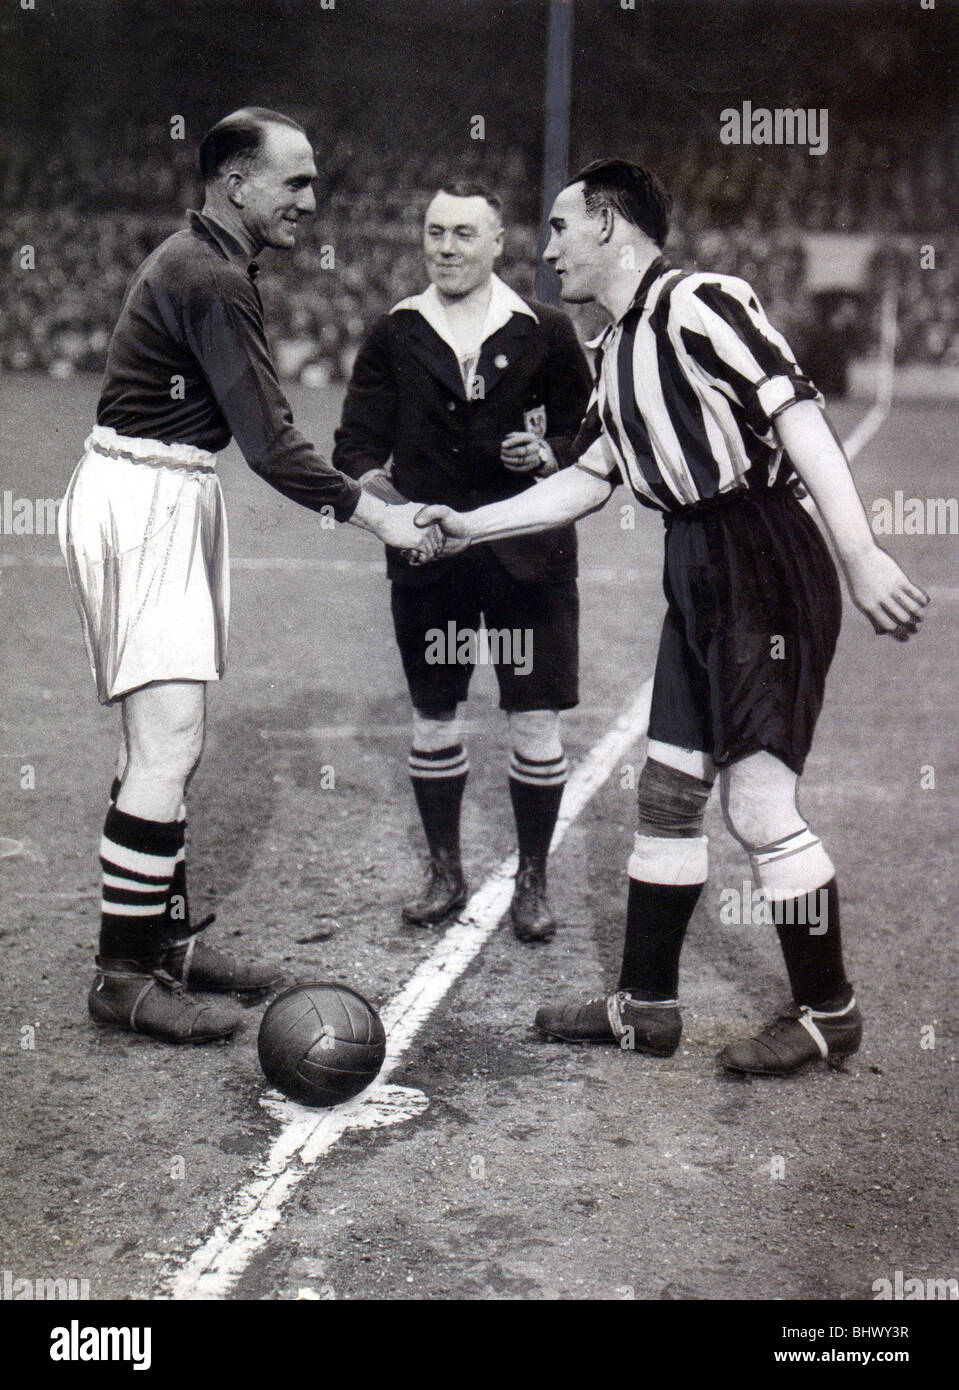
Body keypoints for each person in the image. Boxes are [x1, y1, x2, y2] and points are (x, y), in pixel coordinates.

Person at [416, 158, 929, 1076]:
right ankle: (645, 1006)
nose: (547, 250)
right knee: (665, 795)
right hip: (694, 563)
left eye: (561, 228)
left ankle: (826, 1012)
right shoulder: (614, 347)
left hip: (761, 556)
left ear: (609, 225)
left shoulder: (701, 302)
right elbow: (586, 478)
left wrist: (861, 554)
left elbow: (797, 414)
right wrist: (467, 527)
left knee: (758, 804)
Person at [58, 108, 438, 1044]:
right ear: (236, 181)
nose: (313, 198)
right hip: (144, 498)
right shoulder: (211, 277)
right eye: (295, 181)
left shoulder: (208, 263)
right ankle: (121, 976)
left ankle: (167, 943)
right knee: (168, 742)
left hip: (161, 491)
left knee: (159, 738)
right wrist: (379, 516)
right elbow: (270, 445)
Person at [333, 182, 591, 941]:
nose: (445, 247)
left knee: (534, 721)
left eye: (462, 234)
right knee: (433, 714)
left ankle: (532, 882)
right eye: (435, 232)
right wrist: (388, 505)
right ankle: (445, 872)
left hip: (526, 556)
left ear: (497, 243)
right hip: (431, 556)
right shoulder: (394, 332)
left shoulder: (543, 328)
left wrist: (548, 453)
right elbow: (354, 448)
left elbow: (590, 437)